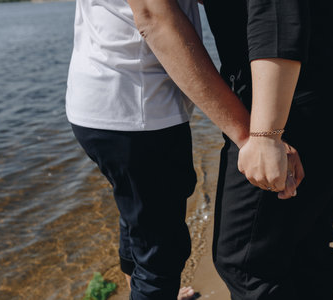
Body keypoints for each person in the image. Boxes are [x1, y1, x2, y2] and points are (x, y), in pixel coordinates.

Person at [66, 0, 302, 299]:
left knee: (138, 217)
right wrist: (252, 137)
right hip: (137, 110)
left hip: (102, 98)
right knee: (161, 255)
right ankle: (150, 289)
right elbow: (154, 18)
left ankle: (142, 289)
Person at [202, 0, 333, 299]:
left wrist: (265, 136)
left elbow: (276, 18)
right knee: (305, 246)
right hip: (332, 87)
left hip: (287, 109)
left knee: (246, 264)